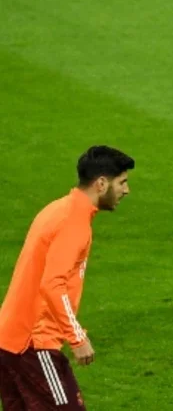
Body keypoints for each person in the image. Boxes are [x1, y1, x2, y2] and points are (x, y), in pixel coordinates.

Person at [0, 146, 135, 410]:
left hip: (11, 341)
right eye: (122, 182)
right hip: (33, 345)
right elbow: (52, 284)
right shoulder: (73, 221)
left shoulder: (59, 208)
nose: (126, 190)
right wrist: (78, 338)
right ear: (101, 183)